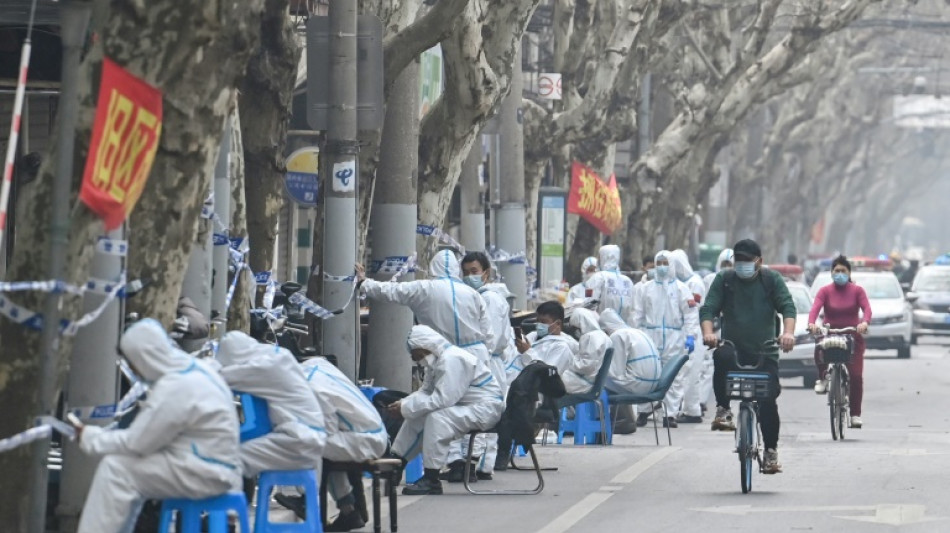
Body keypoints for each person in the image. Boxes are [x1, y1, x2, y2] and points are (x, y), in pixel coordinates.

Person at [75, 320, 241, 533]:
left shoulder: (176, 386)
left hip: (206, 472)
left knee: (116, 469)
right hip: (215, 466)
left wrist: (90, 437)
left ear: (143, 358)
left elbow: (138, 443)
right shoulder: (195, 370)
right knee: (130, 470)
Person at [701, 238, 797, 475]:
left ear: (759, 262)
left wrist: (788, 333)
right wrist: (709, 333)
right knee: (721, 356)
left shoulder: (771, 280)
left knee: (768, 402)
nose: (742, 265)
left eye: (747, 261)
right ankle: (723, 410)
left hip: (765, 349)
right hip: (734, 346)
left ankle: (771, 452)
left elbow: (788, 307)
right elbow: (709, 308)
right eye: (738, 260)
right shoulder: (725, 280)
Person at [388, 326, 505, 495]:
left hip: (485, 409)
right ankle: (396, 462)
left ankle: (431, 478)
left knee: (438, 418)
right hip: (466, 406)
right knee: (418, 415)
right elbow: (425, 392)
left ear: (427, 346)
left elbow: (444, 399)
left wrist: (406, 408)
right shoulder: (438, 360)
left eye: (418, 355)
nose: (417, 360)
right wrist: (404, 404)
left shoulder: (453, 360)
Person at [288, 355, 389, 531]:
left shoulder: (311, 387)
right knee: (327, 450)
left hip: (365, 439)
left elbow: (325, 429)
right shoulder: (317, 367)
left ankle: (306, 499)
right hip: (371, 434)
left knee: (311, 440)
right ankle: (348, 511)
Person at [357, 248, 493, 370]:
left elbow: (391, 291)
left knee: (443, 394)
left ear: (432, 267)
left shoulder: (424, 289)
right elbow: (488, 331)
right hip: (476, 357)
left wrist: (364, 283)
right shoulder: (474, 294)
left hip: (444, 357)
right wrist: (486, 356)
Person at [216, 331, 326, 476]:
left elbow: (220, 378)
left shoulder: (265, 367)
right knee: (234, 454)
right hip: (306, 437)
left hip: (297, 440)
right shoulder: (277, 356)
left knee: (228, 460)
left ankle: (234, 499)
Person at [458, 251, 515, 480]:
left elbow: (487, 337)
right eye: (465, 273)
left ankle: (474, 464)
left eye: (474, 272)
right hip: (488, 362)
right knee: (487, 415)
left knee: (479, 414)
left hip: (486, 363)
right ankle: (483, 465)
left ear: (486, 273)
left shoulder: (488, 299)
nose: (469, 276)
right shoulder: (481, 297)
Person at [633, 250, 698, 428]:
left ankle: (669, 414)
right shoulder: (645, 288)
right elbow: (638, 314)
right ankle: (643, 410)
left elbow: (691, 315)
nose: (661, 267)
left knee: (673, 377)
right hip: (650, 336)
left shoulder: (681, 289)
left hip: (674, 337)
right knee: (647, 374)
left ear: (672, 265)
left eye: (665, 263)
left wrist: (691, 336)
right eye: (658, 263)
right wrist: (636, 335)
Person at [807, 255, 871, 428]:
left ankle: (855, 414)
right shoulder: (824, 291)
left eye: (843, 271)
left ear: (849, 273)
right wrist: (812, 324)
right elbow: (815, 309)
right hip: (831, 334)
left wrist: (864, 323)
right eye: (837, 271)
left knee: (856, 376)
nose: (840, 274)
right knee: (819, 344)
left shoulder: (857, 291)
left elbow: (867, 309)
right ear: (831, 273)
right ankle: (823, 377)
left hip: (852, 336)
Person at [670, 249, 707, 423]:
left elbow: (693, 311)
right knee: (680, 374)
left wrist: (690, 335)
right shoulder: (676, 284)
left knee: (692, 374)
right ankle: (682, 408)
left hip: (693, 332)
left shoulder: (695, 283)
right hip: (680, 332)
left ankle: (693, 411)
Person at [699, 248, 734, 411]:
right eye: (724, 264)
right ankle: (701, 400)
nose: (727, 267)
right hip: (711, 326)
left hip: (730, 326)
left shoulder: (739, 281)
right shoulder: (710, 279)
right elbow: (706, 304)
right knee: (706, 364)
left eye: (730, 264)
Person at [516, 300, 579, 376]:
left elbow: (546, 375)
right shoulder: (533, 335)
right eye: (538, 321)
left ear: (558, 323)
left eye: (543, 322)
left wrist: (527, 353)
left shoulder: (561, 348)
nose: (539, 325)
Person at [562, 308, 612, 394]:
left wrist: (568, 360)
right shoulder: (602, 336)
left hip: (582, 383)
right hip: (590, 381)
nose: (575, 331)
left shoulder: (591, 337)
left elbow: (586, 366)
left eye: (575, 327)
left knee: (550, 380)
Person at [586, 245, 636, 325]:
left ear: (603, 257)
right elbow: (634, 311)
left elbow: (588, 303)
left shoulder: (596, 278)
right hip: (625, 329)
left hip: (602, 329)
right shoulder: (628, 281)